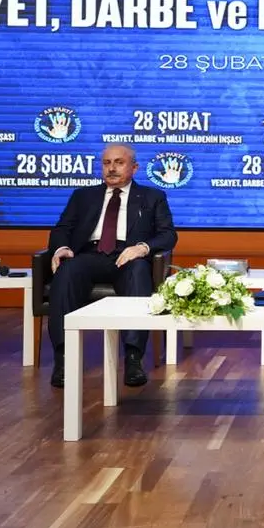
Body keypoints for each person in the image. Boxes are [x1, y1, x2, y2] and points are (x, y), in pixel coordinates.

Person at [46, 144, 177, 389]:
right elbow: (62, 228)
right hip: (89, 255)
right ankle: (64, 359)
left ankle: (133, 358)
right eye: (107, 163)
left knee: (139, 271)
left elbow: (168, 235)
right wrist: (61, 247)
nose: (112, 168)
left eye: (119, 162)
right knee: (67, 271)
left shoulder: (152, 197)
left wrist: (142, 248)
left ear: (134, 168)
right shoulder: (83, 196)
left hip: (127, 257)